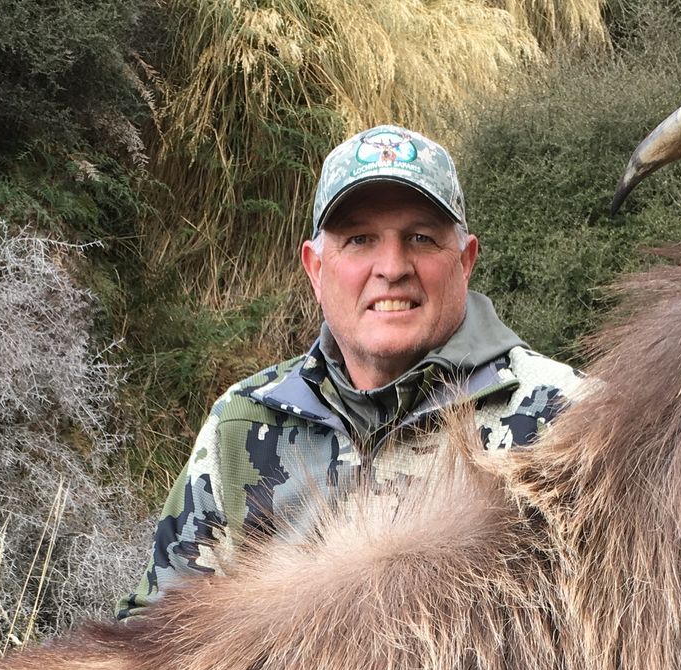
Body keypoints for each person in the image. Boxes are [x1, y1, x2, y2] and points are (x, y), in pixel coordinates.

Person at [117, 124, 584, 617]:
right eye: (359, 239)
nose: (392, 266)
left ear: (466, 261)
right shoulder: (242, 425)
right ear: (316, 270)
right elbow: (157, 635)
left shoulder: (567, 419)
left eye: (421, 238)